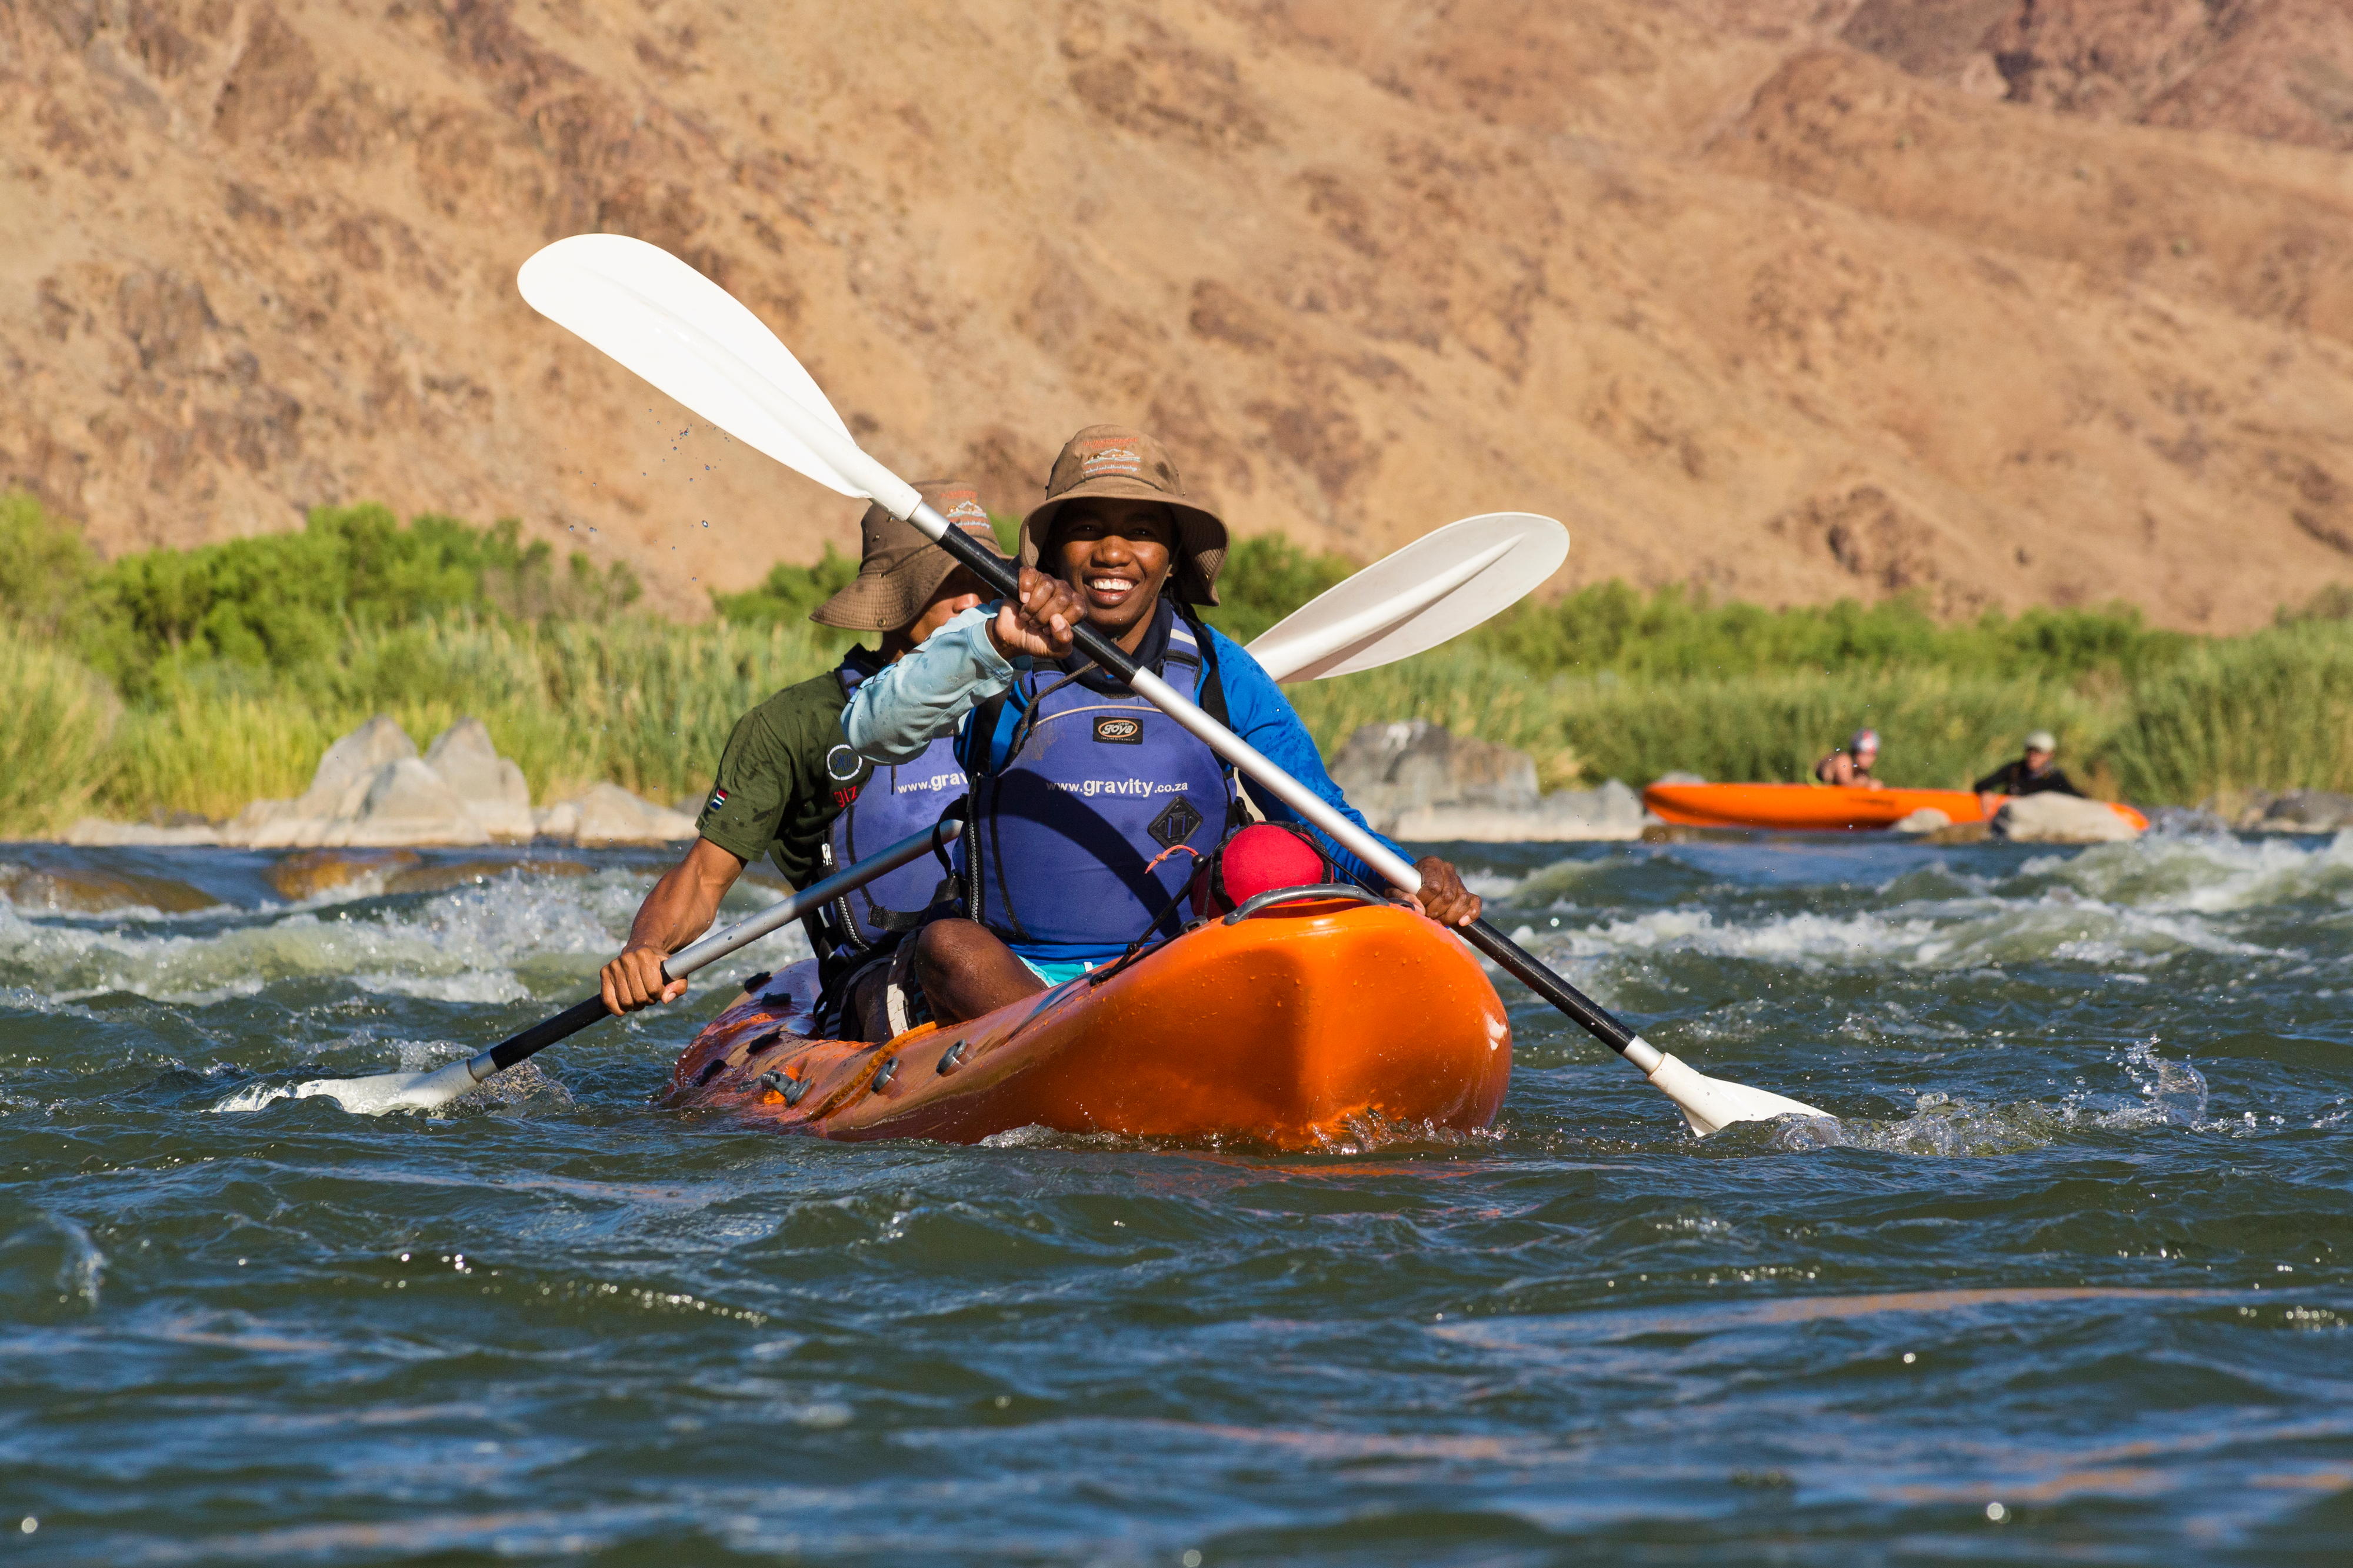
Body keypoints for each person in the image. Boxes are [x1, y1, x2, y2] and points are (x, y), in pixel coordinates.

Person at [841, 423, 1482, 1034]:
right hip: (1016, 976)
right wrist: (992, 643)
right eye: (1088, 529)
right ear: (1055, 549)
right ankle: (1077, 1043)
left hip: (1178, 969)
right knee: (948, 945)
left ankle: (1122, 1040)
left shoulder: (1218, 668)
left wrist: (1405, 874)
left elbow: (1315, 809)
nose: (1113, 552)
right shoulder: (999, 636)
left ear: (1171, 559)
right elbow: (871, 728)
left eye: (1141, 531)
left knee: (1272, 858)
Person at [596, 481, 1009, 1028]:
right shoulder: (794, 724)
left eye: (985, 577)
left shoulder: (1032, 692)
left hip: (1020, 964)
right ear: (894, 596)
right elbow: (702, 879)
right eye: (949, 581)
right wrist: (648, 947)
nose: (974, 601)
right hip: (881, 983)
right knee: (947, 952)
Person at [1974, 729, 2081, 816]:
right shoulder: (2015, 769)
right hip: (2009, 818)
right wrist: (1985, 792)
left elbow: (2076, 798)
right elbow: (1981, 784)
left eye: (2038, 752)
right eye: (2030, 751)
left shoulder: (2055, 777)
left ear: (2049, 755)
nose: (2033, 756)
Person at [1816, 728, 1882, 788]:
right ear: (1855, 752)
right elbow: (1845, 784)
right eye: (1863, 754)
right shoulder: (1844, 761)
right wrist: (1867, 785)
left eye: (1871, 755)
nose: (1867, 759)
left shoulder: (1861, 770)